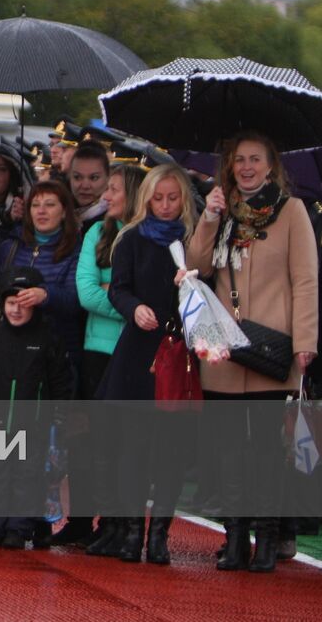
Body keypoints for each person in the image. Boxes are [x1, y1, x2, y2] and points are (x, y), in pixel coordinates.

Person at [186, 131, 319, 572]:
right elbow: (196, 267)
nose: (246, 167)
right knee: (226, 449)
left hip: (272, 349)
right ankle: (235, 536)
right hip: (224, 350)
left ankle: (267, 537)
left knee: (265, 448)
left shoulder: (292, 211)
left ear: (271, 165)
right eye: (239, 159)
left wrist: (305, 343)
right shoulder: (221, 211)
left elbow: (305, 281)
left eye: (255, 159)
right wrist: (209, 216)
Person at [92, 163, 199, 564]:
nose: (166, 205)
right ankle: (132, 532)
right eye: (159, 198)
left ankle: (160, 537)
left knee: (170, 450)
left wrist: (187, 286)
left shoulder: (193, 240)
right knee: (132, 449)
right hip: (137, 350)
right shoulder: (131, 238)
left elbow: (207, 296)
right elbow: (118, 289)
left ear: (183, 199)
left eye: (173, 198)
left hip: (177, 351)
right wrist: (134, 308)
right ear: (147, 199)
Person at [62, 163, 145, 548]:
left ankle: (118, 527)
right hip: (97, 350)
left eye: (113, 189)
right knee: (92, 442)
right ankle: (84, 521)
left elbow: (158, 300)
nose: (105, 196)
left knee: (127, 445)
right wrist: (131, 304)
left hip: (136, 354)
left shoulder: (148, 237)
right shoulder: (97, 231)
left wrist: (118, 293)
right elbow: (87, 293)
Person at [0, 266, 74, 550]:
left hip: (33, 424)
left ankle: (19, 527)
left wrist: (58, 415)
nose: (16, 310)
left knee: (26, 476)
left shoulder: (46, 340)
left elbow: (59, 381)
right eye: (10, 303)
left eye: (22, 303)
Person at [0, 181, 82, 374]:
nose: (41, 211)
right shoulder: (10, 246)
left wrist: (45, 295)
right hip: (11, 348)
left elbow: (75, 300)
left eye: (50, 205)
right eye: (35, 205)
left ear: (65, 211)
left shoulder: (77, 250)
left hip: (56, 351)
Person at [67, 142, 111, 227]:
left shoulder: (112, 224)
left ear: (108, 178)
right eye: (77, 177)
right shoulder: (59, 213)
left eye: (94, 178)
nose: (85, 186)